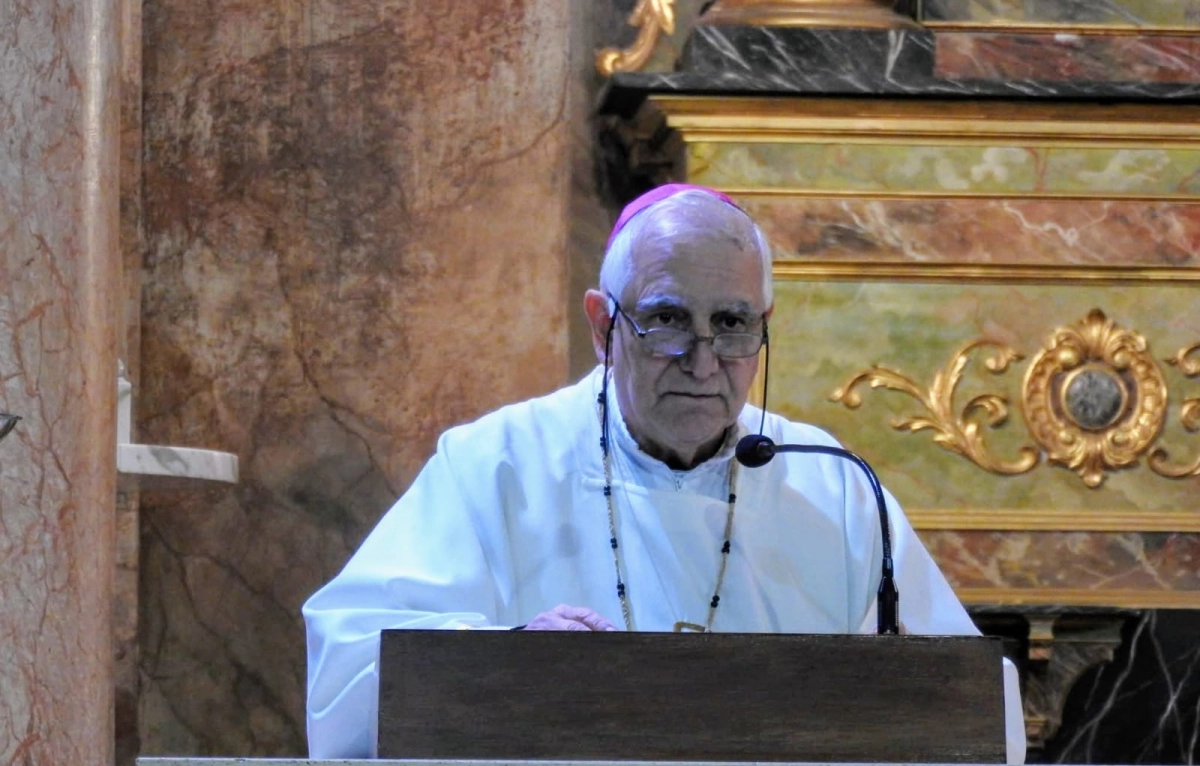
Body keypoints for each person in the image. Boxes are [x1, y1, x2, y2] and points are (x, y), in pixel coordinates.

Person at [303, 184, 1026, 762]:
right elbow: (352, 675)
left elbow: (978, 706)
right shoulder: (495, 466)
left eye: (733, 324)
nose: (703, 362)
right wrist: (507, 657)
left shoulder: (831, 485)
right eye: (668, 320)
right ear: (602, 326)